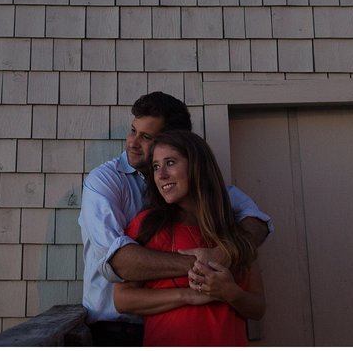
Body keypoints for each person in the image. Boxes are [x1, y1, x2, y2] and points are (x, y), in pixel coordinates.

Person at [79, 92, 272, 346]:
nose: (132, 143)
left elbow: (256, 220)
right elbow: (120, 261)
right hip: (115, 328)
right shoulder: (106, 184)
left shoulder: (222, 217)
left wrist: (229, 254)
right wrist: (205, 264)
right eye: (133, 131)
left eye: (146, 137)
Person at [113, 130, 265, 346]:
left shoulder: (234, 228)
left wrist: (230, 292)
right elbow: (122, 299)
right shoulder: (148, 225)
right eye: (156, 166)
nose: (161, 174)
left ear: (197, 166)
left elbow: (258, 307)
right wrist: (187, 296)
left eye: (170, 162)